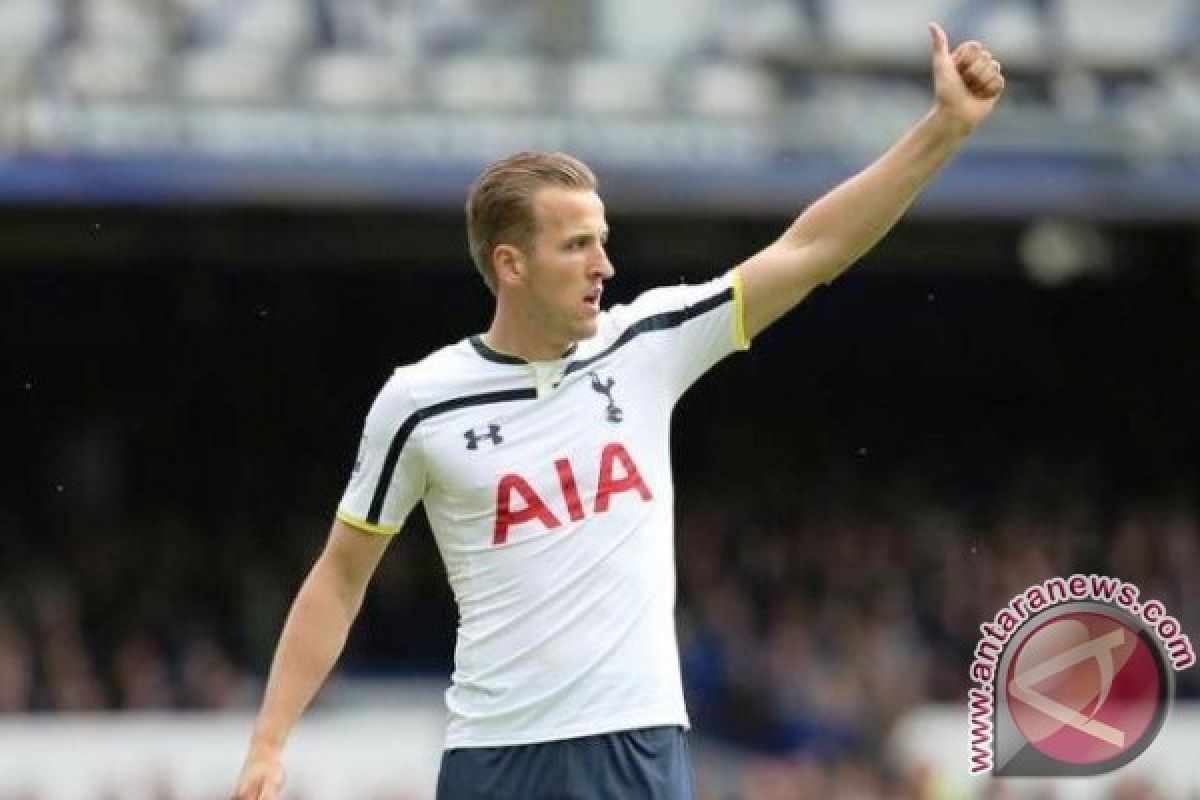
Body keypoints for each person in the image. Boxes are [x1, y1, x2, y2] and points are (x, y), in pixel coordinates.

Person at [233, 23, 1004, 800]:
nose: (604, 265)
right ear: (511, 264)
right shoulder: (420, 401)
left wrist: (942, 131)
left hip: (638, 745)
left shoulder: (647, 342)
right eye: (576, 246)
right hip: (498, 757)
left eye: (602, 241)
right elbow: (340, 576)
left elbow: (811, 252)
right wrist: (269, 743)